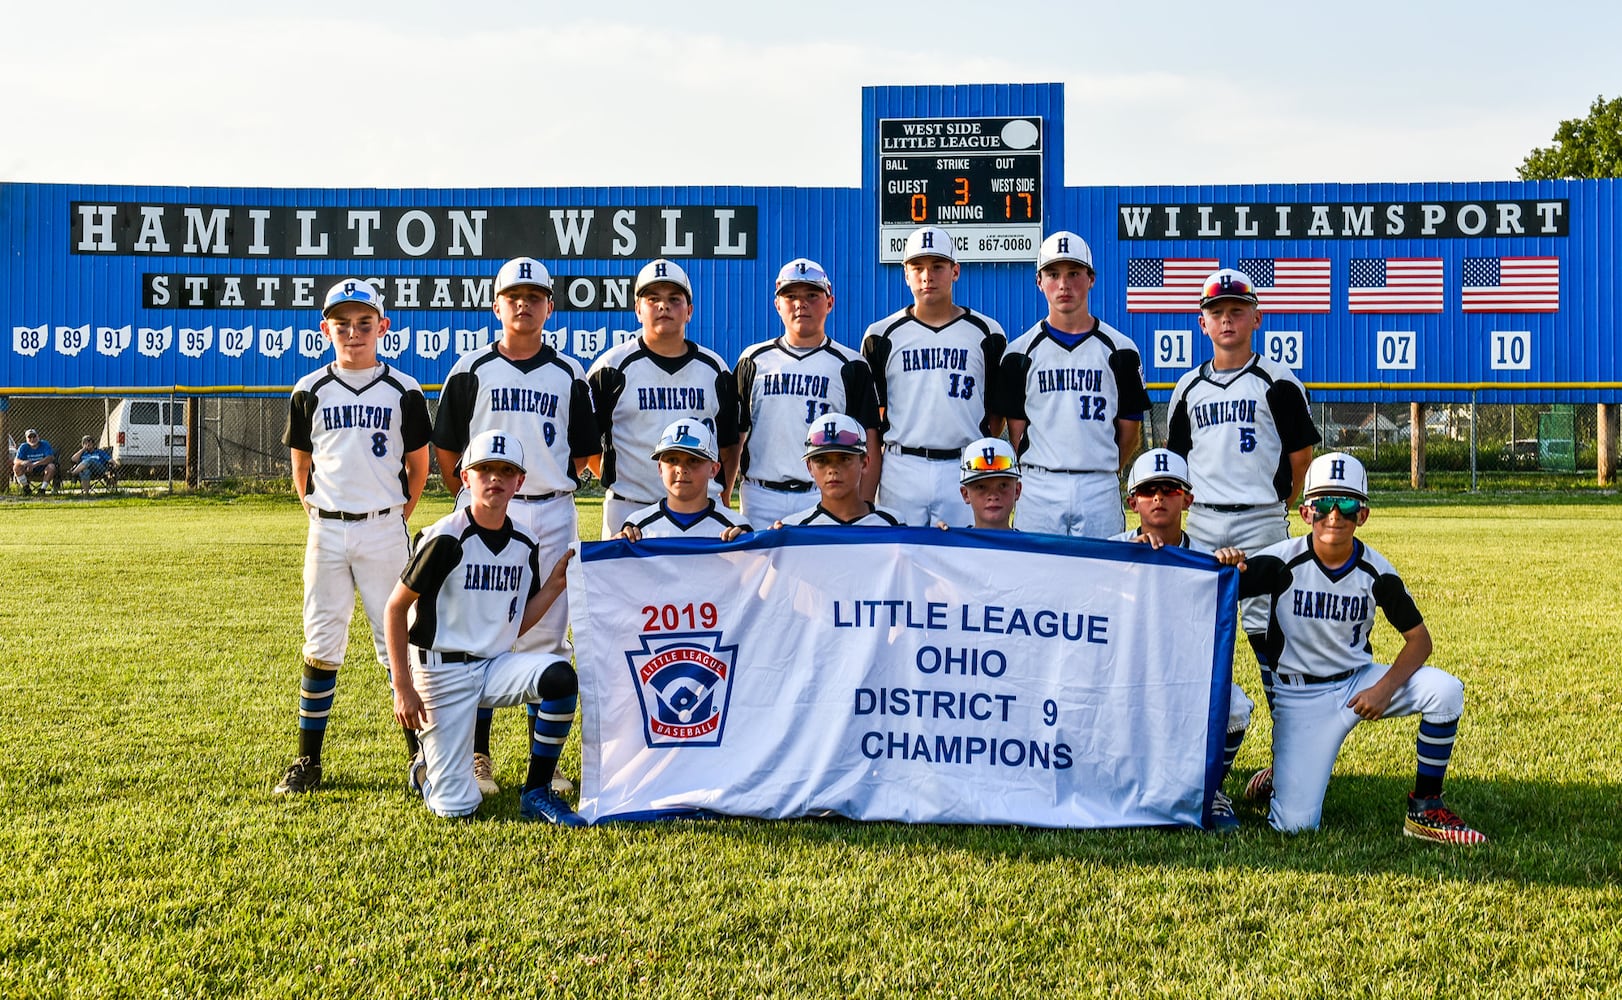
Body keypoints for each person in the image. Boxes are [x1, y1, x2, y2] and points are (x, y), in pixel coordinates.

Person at [1222, 452, 1485, 843]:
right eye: (1324, 504)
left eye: (1346, 505)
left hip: (1357, 682)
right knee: (1295, 828)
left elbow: (1420, 640)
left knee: (1446, 692)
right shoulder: (1279, 562)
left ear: (1363, 515)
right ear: (1305, 512)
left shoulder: (1376, 571)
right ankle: (1285, 769)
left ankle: (1425, 808)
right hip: (1300, 696)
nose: (1335, 516)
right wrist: (1225, 564)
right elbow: (1214, 591)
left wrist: (1385, 688)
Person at [432, 256, 599, 796]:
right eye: (513, 296)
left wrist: (548, 480)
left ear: (550, 306)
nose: (523, 304)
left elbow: (586, 450)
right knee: (482, 628)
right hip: (488, 508)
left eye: (534, 296)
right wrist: (472, 498)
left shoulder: (569, 371)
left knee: (546, 637)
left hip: (552, 508)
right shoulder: (471, 367)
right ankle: (479, 757)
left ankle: (540, 770)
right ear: (497, 305)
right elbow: (448, 448)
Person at [274, 278, 432, 795]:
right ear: (325, 330)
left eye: (365, 322)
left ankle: (421, 759)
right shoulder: (308, 389)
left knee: (400, 646)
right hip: (326, 529)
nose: (354, 331)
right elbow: (301, 462)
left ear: (383, 327)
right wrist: (318, 510)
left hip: (384, 528)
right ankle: (307, 762)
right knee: (321, 643)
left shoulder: (404, 389)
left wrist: (391, 514)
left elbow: (418, 465)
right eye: (342, 323)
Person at [388, 429, 582, 825]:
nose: (495, 478)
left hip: (493, 665)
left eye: (505, 471)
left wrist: (555, 585)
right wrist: (403, 686)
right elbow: (395, 609)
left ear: (519, 482)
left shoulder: (526, 543)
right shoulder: (445, 537)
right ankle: (425, 767)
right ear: (466, 478)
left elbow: (515, 622)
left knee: (560, 677)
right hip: (441, 672)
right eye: (485, 469)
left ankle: (536, 791)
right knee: (457, 808)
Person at [1166, 268, 1320, 659]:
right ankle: (1218, 719)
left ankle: (1285, 713)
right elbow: (1177, 460)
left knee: (1271, 631)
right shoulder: (1187, 388)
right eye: (1217, 313)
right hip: (1201, 519)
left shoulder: (1278, 381)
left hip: (1261, 520)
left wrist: (1282, 500)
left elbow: (1300, 456)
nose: (1227, 319)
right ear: (1203, 323)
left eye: (1237, 310)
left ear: (1257, 317)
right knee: (1192, 629)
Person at [1110, 448, 1253, 830]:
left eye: (1170, 490)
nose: (1159, 498)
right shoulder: (1109, 549)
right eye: (1149, 490)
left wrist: (1230, 567)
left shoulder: (1206, 560)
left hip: (1177, 676)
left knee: (1235, 705)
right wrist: (1121, 563)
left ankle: (1209, 791)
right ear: (1132, 501)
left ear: (1187, 499)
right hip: (1118, 674)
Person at [999, 231, 1150, 537]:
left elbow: (1130, 431)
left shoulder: (1120, 349)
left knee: (1103, 577)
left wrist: (1102, 467)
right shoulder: (1019, 353)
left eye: (1074, 273)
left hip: (1098, 483)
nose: (1064, 284)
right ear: (1039, 282)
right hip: (1039, 484)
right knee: (1036, 576)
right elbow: (1017, 433)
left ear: (1091, 278)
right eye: (1053, 274)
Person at [861, 225, 1006, 527]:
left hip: (964, 464)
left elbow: (995, 411)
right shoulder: (880, 335)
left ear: (955, 271)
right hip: (902, 465)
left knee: (962, 562)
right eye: (918, 267)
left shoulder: (987, 333)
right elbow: (873, 421)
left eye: (938, 266)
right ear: (906, 274)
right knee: (900, 560)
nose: (927, 276)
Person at [588, 259, 741, 538]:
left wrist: (723, 493)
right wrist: (623, 480)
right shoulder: (611, 367)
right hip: (630, 510)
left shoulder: (715, 368)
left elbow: (729, 446)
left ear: (689, 311)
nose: (663, 306)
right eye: (652, 298)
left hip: (701, 510)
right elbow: (588, 444)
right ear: (637, 309)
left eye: (674, 298)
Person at [734, 258, 882, 526]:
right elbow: (737, 434)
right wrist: (725, 495)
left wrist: (865, 502)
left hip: (824, 494)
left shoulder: (851, 364)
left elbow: (869, 437)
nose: (801, 303)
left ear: (830, 302)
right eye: (791, 296)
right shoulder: (753, 360)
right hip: (760, 494)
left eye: (812, 295)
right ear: (777, 304)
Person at [618, 419, 752, 541]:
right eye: (672, 460)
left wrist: (746, 548)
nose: (681, 469)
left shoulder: (735, 528)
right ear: (660, 468)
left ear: (714, 469)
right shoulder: (637, 528)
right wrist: (617, 546)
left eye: (693, 460)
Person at [776, 413, 904, 527]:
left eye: (844, 459)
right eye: (822, 461)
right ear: (809, 467)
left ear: (864, 463)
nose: (832, 469)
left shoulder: (891, 523)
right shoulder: (795, 528)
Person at [953, 436, 1022, 530]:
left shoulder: (1032, 544)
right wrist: (936, 538)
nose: (993, 496)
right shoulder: (949, 543)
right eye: (981, 487)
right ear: (965, 494)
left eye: (1003, 485)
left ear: (1017, 490)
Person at [12, 429, 57, 494]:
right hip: (28, 469)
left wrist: (35, 464)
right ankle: (26, 488)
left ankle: (42, 490)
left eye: (34, 436)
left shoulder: (44, 444)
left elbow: (50, 458)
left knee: (52, 466)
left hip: (43, 469)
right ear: (26, 439)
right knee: (16, 467)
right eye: (30, 437)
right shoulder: (23, 447)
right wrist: (24, 462)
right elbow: (16, 460)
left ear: (38, 436)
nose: (32, 439)